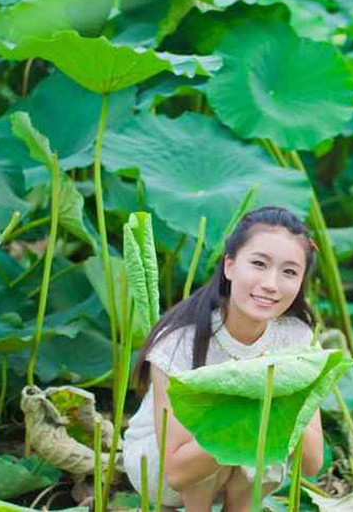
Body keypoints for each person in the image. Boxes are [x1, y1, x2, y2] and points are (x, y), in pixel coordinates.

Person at [123, 206, 324, 512]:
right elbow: (176, 472)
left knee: (261, 447)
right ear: (229, 266)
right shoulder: (178, 342)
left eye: (289, 272)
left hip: (240, 460)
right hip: (164, 468)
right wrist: (247, 418)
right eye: (258, 263)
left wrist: (283, 404)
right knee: (240, 434)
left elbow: (311, 462)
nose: (271, 283)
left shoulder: (296, 339)